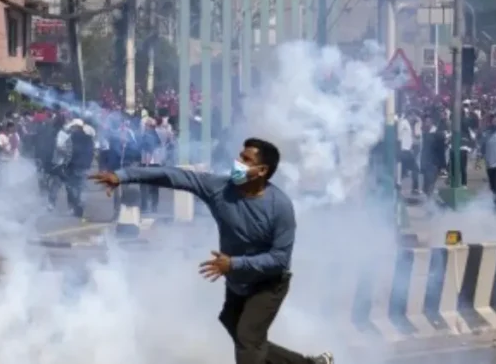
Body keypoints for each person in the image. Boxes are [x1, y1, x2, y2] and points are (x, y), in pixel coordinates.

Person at [90, 138, 334, 364]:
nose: (238, 162)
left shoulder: (279, 207)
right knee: (236, 327)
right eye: (240, 156)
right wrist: (122, 176)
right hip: (237, 280)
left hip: (268, 283)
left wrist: (234, 264)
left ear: (262, 171)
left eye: (246, 160)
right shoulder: (219, 188)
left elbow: (280, 259)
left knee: (248, 338)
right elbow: (174, 176)